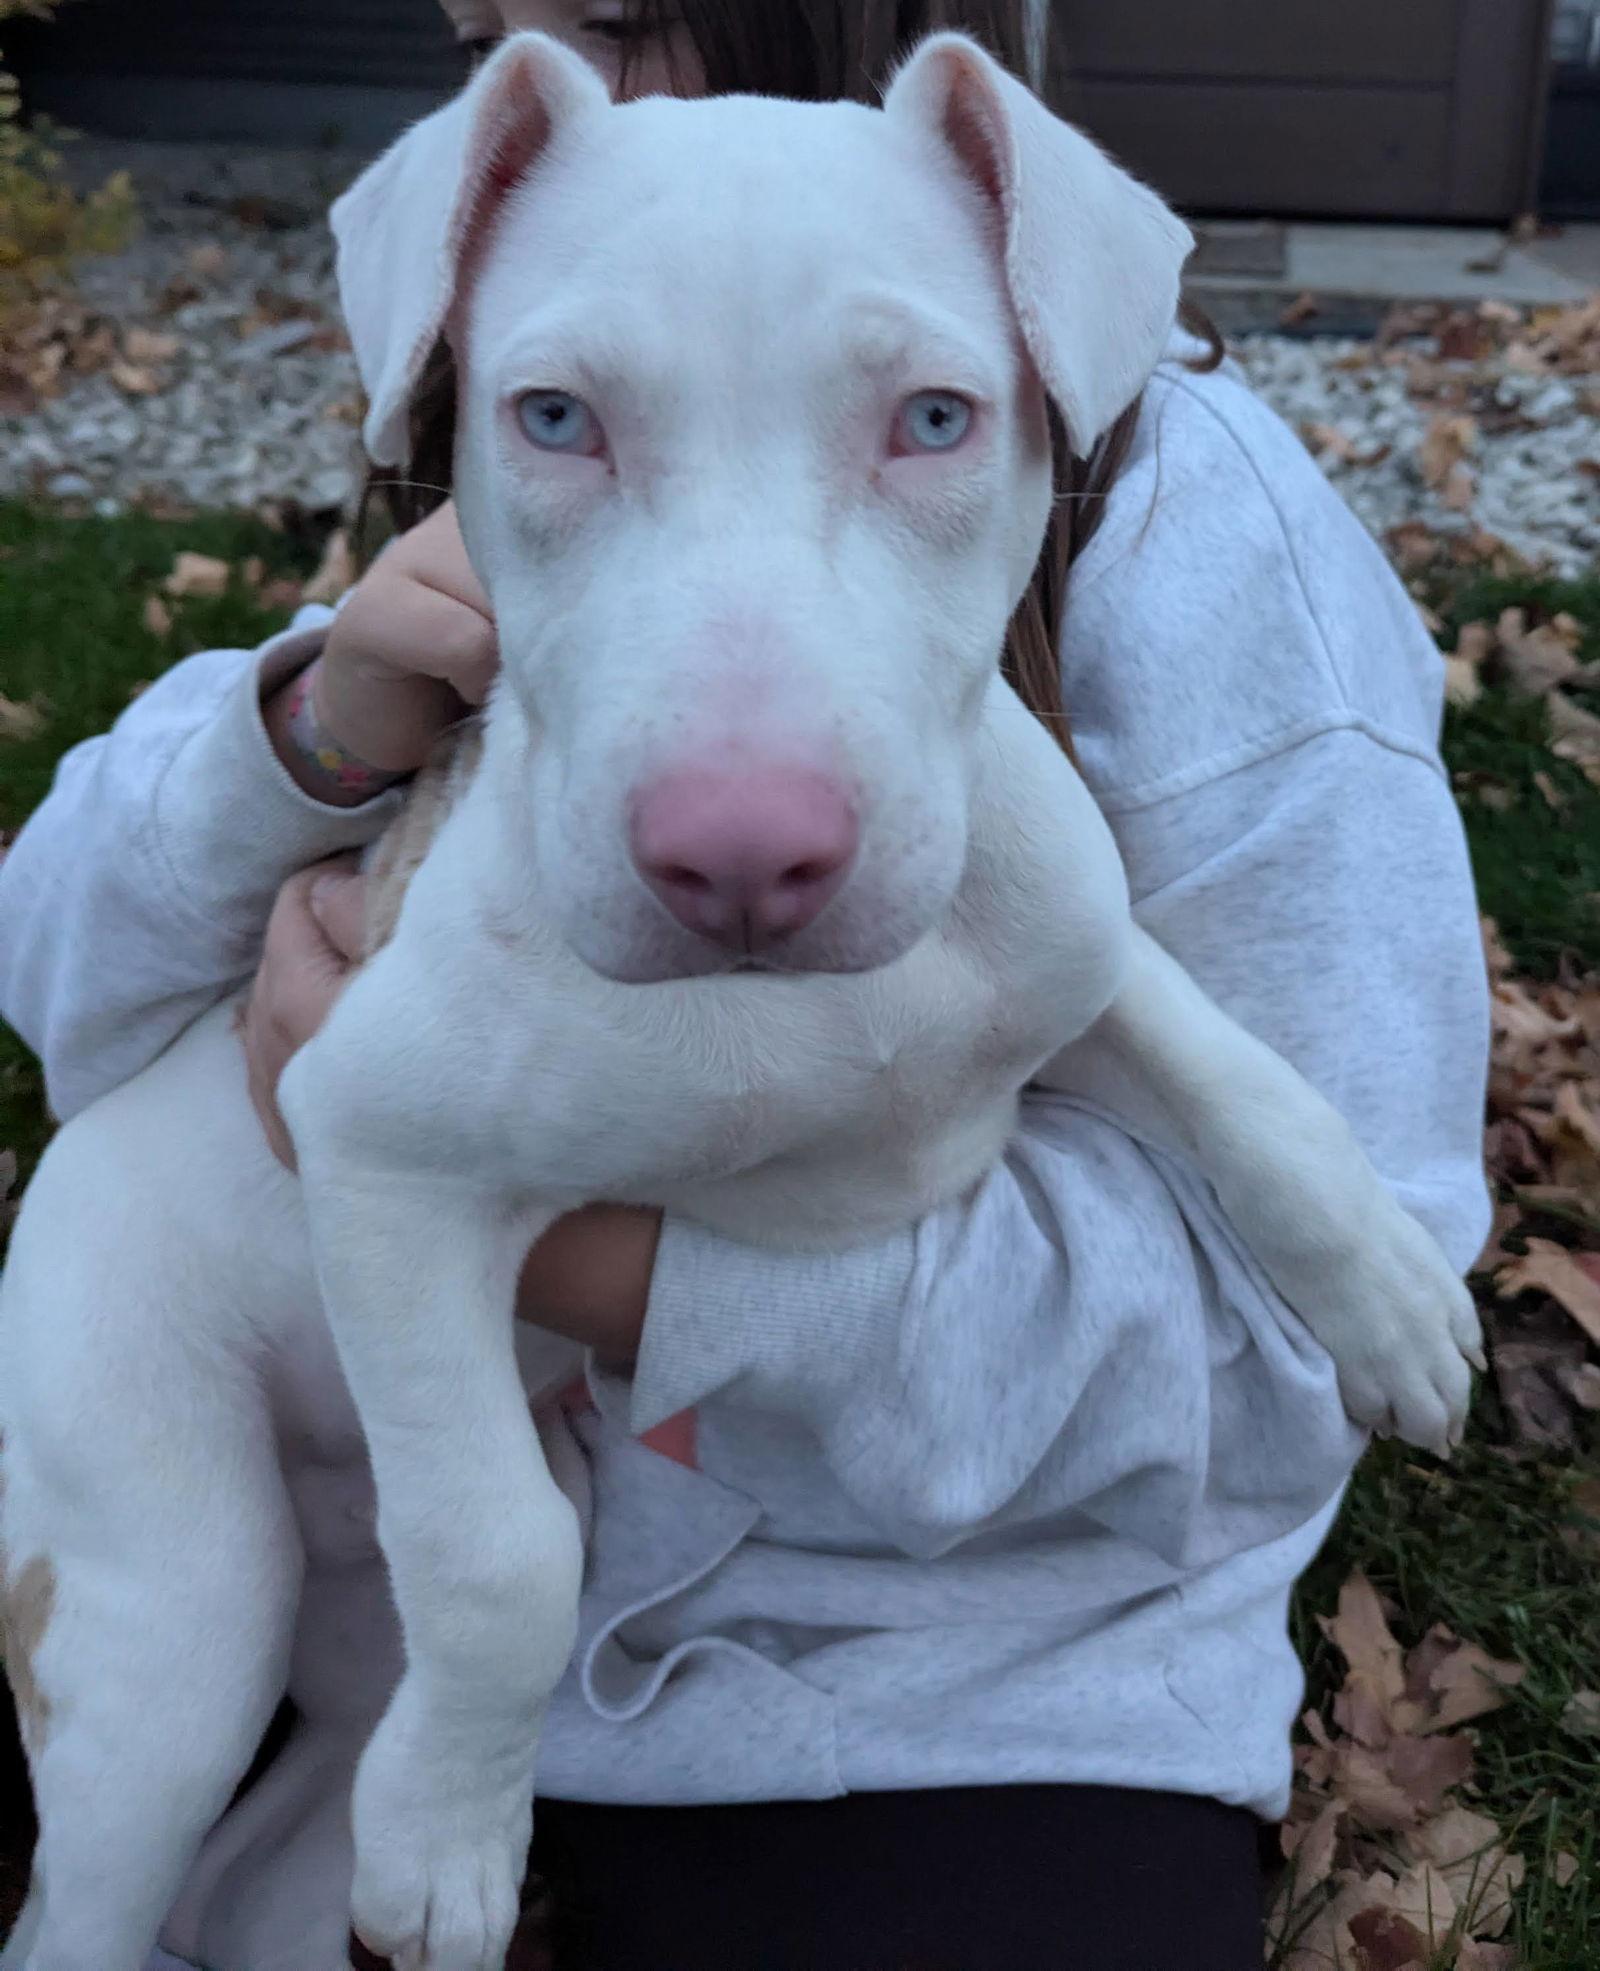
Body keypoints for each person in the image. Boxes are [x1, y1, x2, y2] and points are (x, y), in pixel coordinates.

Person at [0, 3, 1491, 1966]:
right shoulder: (569, 425)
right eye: (479, 35)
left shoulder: (1206, 570)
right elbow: (60, 970)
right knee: (125, 1821)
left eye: (612, 19)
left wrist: (616, 1277)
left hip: (913, 1672)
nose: (537, 112)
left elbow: (1275, 1370)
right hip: (255, 1369)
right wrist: (302, 735)